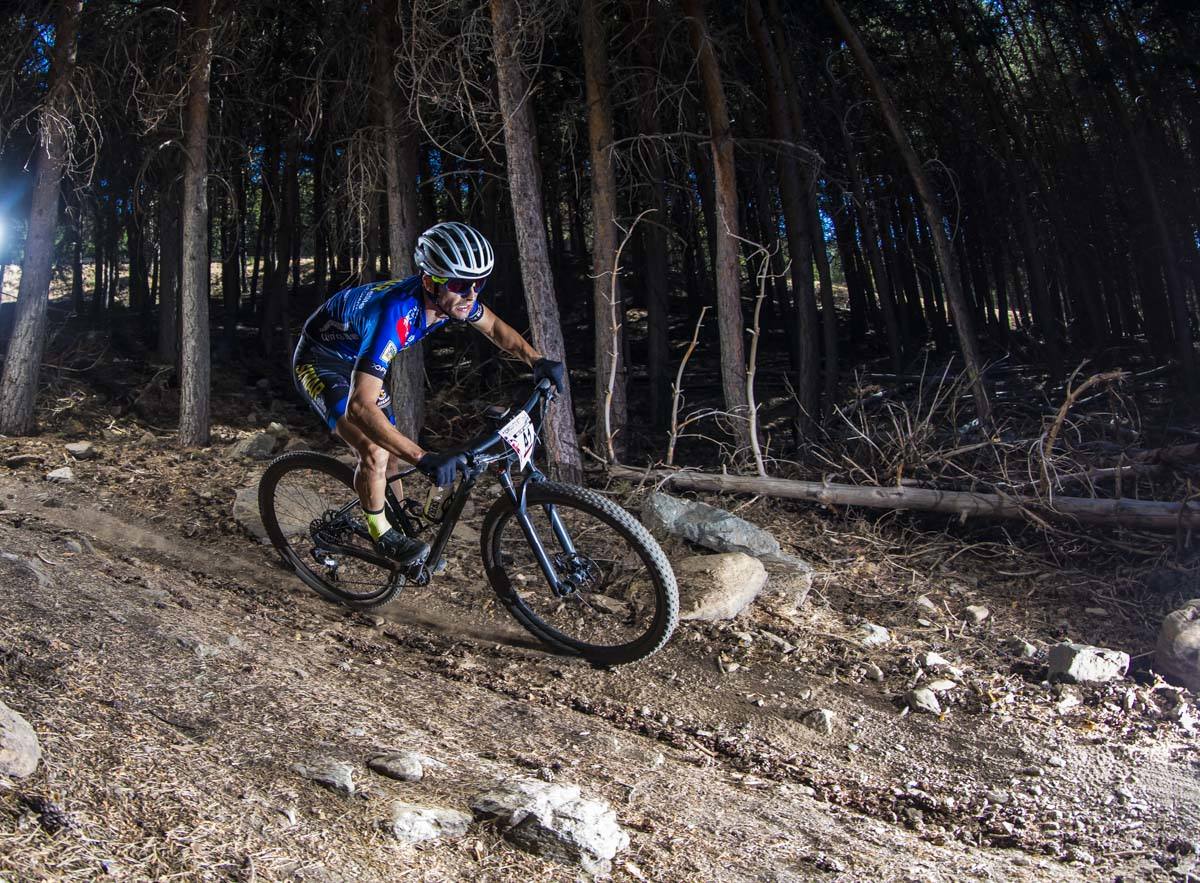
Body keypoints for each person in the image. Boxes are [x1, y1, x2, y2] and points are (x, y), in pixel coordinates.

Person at [292, 222, 564, 564]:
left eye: (478, 283)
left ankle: (396, 522)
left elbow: (494, 327)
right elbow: (360, 407)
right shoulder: (393, 315)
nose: (471, 295)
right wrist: (423, 458)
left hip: (359, 356)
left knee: (392, 454)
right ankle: (382, 535)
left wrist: (536, 360)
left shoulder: (452, 301)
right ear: (429, 282)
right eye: (460, 284)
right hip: (323, 360)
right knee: (373, 450)